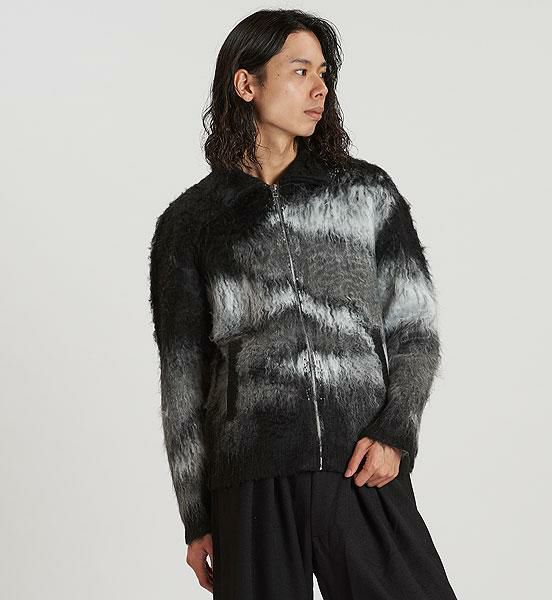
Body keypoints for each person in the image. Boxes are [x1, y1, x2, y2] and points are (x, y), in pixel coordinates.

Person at [149, 8, 459, 600]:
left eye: (323, 73)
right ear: (247, 84)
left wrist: (395, 431)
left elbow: (415, 329)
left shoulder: (366, 193)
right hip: (250, 480)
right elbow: (183, 380)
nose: (320, 88)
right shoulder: (191, 223)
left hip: (359, 463)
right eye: (299, 71)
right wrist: (196, 515)